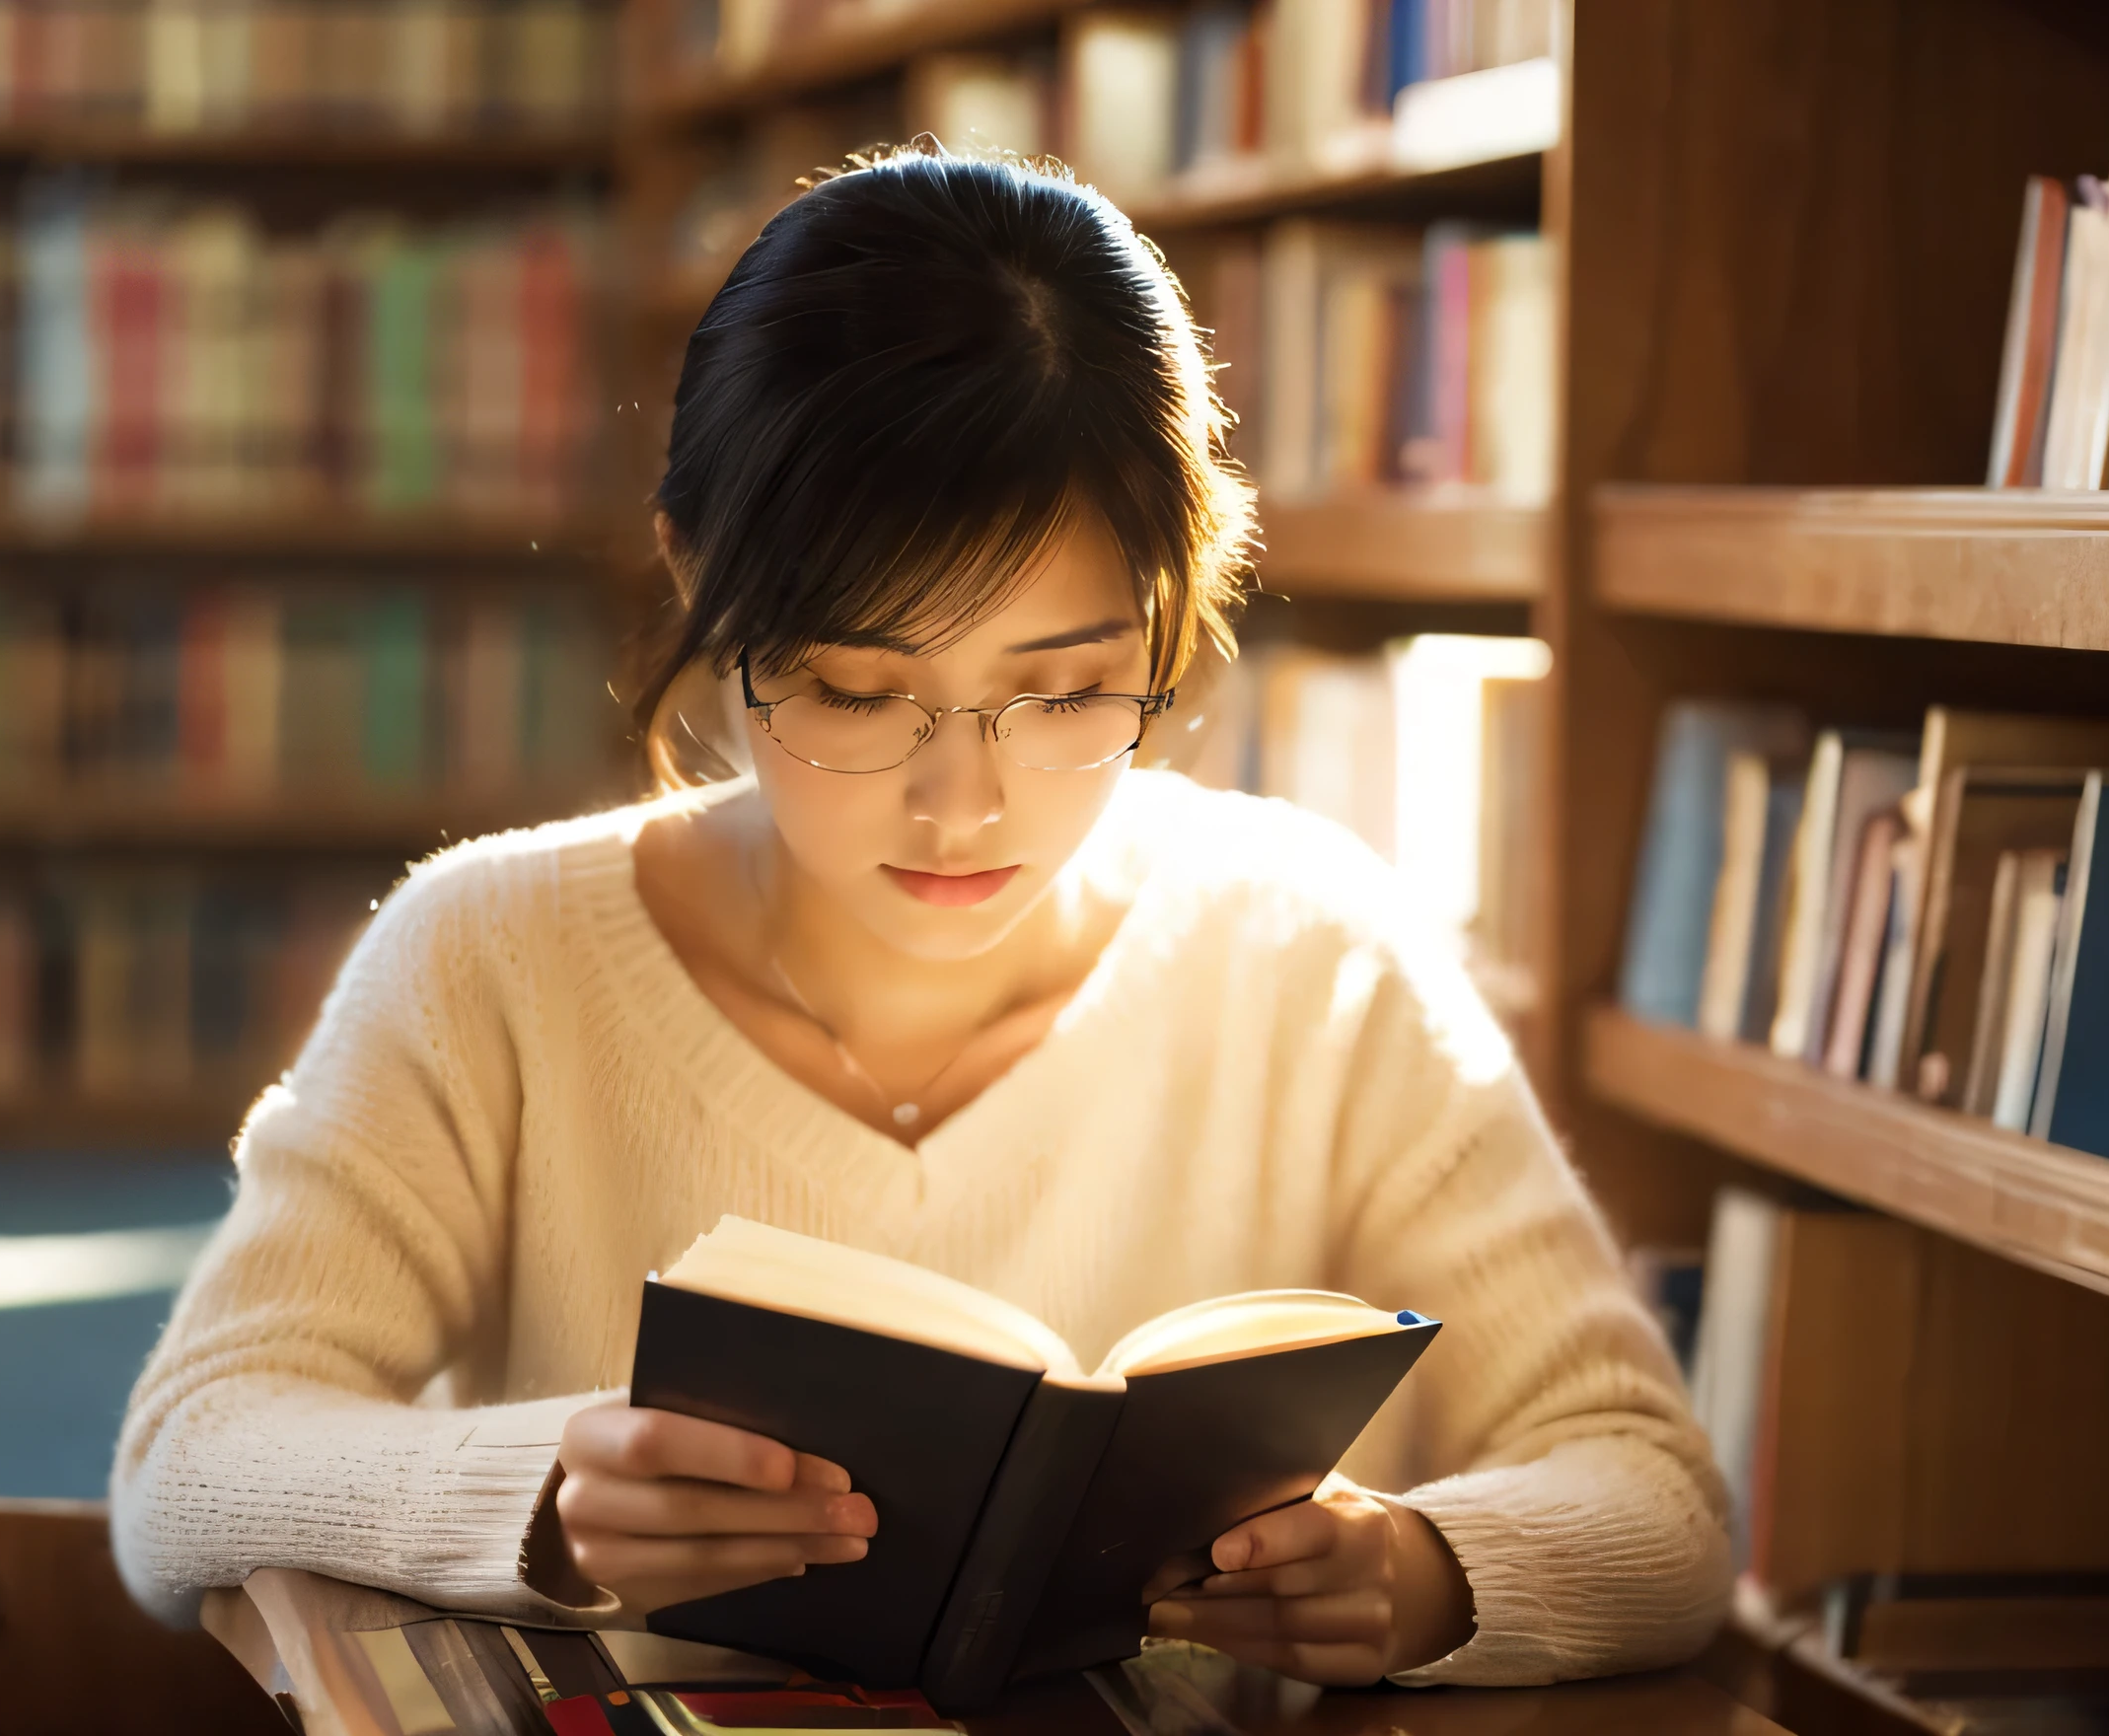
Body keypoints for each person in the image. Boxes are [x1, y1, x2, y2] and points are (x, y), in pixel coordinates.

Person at [111, 149, 1729, 1689]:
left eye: (1069, 691)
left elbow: (1655, 1496)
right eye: (856, 693)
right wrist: (540, 1489)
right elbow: (190, 1461)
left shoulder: (1315, 957)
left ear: (1175, 608)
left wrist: (1431, 1571)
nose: (963, 805)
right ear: (698, 581)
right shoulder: (491, 959)